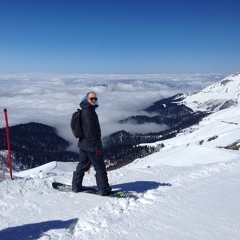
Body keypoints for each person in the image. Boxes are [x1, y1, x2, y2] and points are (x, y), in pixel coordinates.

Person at [72, 92, 112, 196]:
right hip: (91, 146)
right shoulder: (88, 112)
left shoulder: (86, 110)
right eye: (91, 98)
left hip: (83, 145)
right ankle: (103, 189)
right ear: (86, 99)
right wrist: (96, 147)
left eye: (95, 98)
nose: (94, 100)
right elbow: (90, 131)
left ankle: (76, 186)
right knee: (100, 167)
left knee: (82, 165)